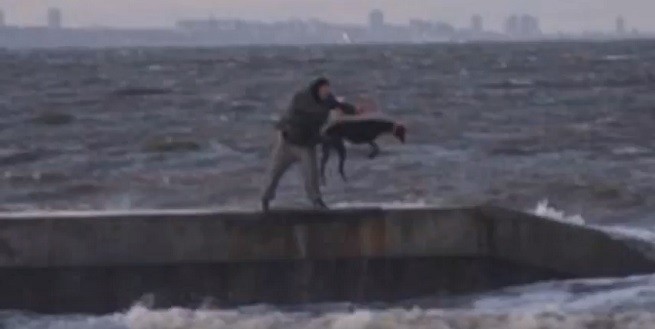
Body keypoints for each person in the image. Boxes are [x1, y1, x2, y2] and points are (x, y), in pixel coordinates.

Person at [261, 78, 342, 212]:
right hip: (287, 142)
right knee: (274, 172)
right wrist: (328, 107)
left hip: (306, 145)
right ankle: (265, 200)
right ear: (317, 89)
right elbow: (305, 114)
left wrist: (349, 110)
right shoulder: (302, 98)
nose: (326, 93)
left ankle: (316, 200)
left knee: (311, 175)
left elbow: (337, 113)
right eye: (323, 90)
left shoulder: (327, 103)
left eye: (328, 91)